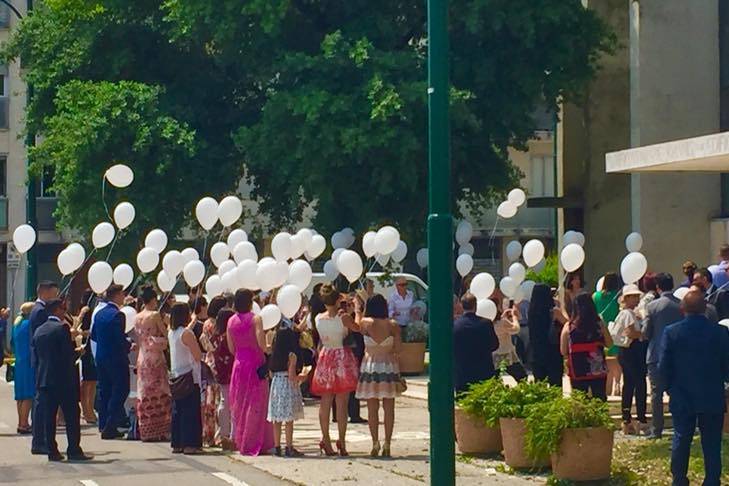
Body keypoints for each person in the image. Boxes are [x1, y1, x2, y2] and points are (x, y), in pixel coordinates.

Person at [659, 290, 729, 486]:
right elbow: (727, 364)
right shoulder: (720, 332)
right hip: (712, 393)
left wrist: (668, 388)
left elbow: (663, 366)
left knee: (681, 438)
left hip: (682, 393)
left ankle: (679, 479)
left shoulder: (671, 332)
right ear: (705, 309)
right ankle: (712, 480)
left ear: (682, 309)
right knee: (712, 442)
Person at [32, 298, 91, 462]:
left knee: (49, 417)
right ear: (57, 310)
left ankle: (52, 450)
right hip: (63, 380)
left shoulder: (39, 330)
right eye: (63, 310)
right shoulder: (62, 328)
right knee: (72, 415)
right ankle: (74, 449)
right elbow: (67, 355)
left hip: (44, 379)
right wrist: (78, 351)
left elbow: (37, 356)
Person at [311, 284, 360, 457]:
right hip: (341, 356)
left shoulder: (318, 318)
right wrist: (357, 310)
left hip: (326, 355)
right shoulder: (343, 317)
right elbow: (357, 328)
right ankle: (342, 441)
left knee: (325, 401)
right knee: (342, 402)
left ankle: (326, 439)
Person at [355, 294, 402, 458]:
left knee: (371, 408)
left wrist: (357, 308)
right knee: (389, 407)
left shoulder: (366, 323)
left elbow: (357, 323)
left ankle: (375, 442)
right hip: (388, 365)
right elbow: (398, 348)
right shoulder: (393, 325)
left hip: (370, 366)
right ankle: (387, 443)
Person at [228, 289, 274, 456]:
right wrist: (269, 348)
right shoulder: (256, 319)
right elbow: (262, 343)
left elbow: (231, 348)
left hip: (239, 364)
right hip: (255, 363)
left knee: (240, 403)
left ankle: (242, 440)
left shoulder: (231, 321)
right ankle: (255, 441)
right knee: (257, 404)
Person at [640, 272, 682, 439]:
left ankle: (657, 429)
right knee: (677, 392)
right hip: (677, 355)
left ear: (658, 287)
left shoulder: (652, 307)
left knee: (656, 395)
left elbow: (646, 332)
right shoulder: (680, 305)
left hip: (656, 354)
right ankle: (680, 425)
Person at [91, 284, 131, 440]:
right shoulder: (118, 315)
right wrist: (129, 345)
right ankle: (110, 424)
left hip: (101, 356)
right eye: (122, 294)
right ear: (116, 296)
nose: (124, 297)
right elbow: (119, 338)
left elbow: (94, 335)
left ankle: (103, 424)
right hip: (116, 358)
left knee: (104, 391)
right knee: (121, 389)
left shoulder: (99, 314)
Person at [609, 284, 648, 434]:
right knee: (639, 384)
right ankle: (640, 418)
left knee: (629, 385)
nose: (637, 299)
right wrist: (643, 333)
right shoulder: (628, 314)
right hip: (632, 352)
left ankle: (627, 418)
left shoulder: (626, 313)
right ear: (627, 298)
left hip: (625, 352)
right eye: (634, 296)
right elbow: (631, 333)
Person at [134, 286, 171, 442]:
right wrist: (168, 323)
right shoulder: (155, 315)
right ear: (153, 299)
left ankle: (146, 430)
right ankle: (160, 429)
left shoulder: (137, 317)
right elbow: (165, 333)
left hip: (143, 357)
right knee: (160, 391)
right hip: (155, 357)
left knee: (145, 392)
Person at [560, 293, 612, 400]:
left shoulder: (569, 327)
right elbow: (610, 343)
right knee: (599, 397)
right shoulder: (599, 324)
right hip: (597, 369)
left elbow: (563, 350)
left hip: (577, 369)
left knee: (579, 399)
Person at [267, 319, 306, 457]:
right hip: (287, 385)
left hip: (276, 385)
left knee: (276, 419)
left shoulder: (274, 355)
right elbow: (291, 375)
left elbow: (271, 373)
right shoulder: (292, 355)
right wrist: (302, 377)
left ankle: (277, 447)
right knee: (289, 420)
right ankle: (289, 447)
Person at [168, 302, 203, 454]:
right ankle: (190, 443)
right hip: (189, 375)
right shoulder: (187, 334)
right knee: (190, 411)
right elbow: (197, 355)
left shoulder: (172, 332)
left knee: (178, 410)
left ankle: (177, 442)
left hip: (176, 374)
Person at [29, 280, 60, 455]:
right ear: (44, 293)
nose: (54, 297)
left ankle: (40, 440)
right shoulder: (40, 311)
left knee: (41, 403)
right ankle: (39, 441)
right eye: (53, 293)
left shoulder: (36, 309)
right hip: (43, 362)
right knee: (42, 405)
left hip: (39, 361)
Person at [453, 293, 499, 393]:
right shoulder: (486, 323)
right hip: (484, 373)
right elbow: (495, 345)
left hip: (462, 374)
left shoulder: (455, 325)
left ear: (461, 305)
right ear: (476, 306)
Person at [199, 295, 227, 447]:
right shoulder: (217, 325)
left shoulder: (206, 323)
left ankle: (208, 433)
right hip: (217, 362)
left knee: (209, 400)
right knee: (217, 400)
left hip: (208, 360)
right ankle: (216, 434)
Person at [528, 284, 568, 387]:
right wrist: (561, 308)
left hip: (536, 353)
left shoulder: (531, 311)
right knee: (555, 385)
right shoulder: (553, 311)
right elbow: (568, 324)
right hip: (552, 352)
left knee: (540, 387)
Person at [209, 307, 235, 450]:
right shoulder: (226, 336)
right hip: (228, 370)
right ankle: (225, 433)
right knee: (227, 402)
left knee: (223, 400)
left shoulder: (215, 335)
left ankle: (222, 432)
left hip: (220, 370)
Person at [593, 272, 622, 396]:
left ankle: (608, 386)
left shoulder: (596, 296)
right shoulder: (619, 296)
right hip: (616, 329)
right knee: (617, 358)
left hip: (601, 329)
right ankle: (618, 382)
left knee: (606, 358)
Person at [12, 302, 35, 434]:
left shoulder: (17, 325)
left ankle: (21, 422)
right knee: (28, 395)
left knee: (20, 395)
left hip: (19, 361)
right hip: (28, 361)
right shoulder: (28, 325)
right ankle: (25, 423)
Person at [77, 290, 98, 424]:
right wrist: (90, 332)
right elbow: (80, 331)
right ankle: (86, 409)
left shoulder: (95, 312)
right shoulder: (86, 312)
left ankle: (90, 408)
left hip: (94, 348)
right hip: (87, 349)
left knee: (93, 381)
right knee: (87, 382)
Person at [492, 303, 527, 381]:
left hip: (494, 354)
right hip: (505, 353)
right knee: (522, 377)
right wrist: (514, 318)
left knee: (494, 379)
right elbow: (516, 329)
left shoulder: (488, 323)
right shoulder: (502, 322)